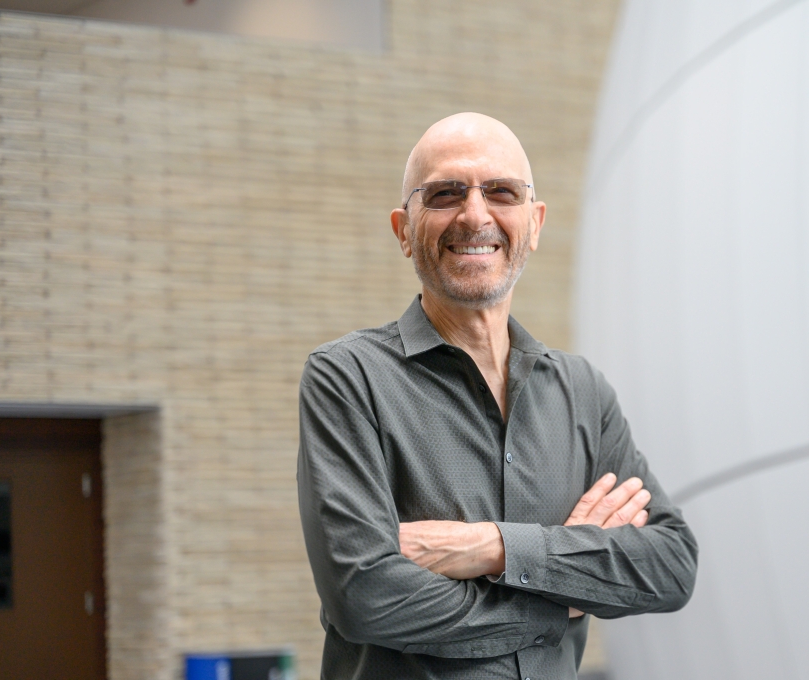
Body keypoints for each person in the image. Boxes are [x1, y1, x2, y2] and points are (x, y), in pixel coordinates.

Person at [297, 112, 697, 680]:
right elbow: (364, 595)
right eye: (444, 194)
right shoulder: (348, 378)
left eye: (501, 192)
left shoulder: (583, 393)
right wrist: (567, 585)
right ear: (403, 230)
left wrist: (493, 549)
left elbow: (671, 566)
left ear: (533, 225)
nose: (475, 214)